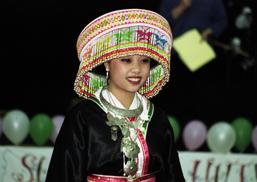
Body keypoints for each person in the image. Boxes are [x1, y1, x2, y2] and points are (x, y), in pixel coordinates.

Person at [45, 9, 186, 182]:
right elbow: (64, 175)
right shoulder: (83, 117)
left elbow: (172, 176)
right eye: (126, 60)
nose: (137, 69)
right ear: (107, 63)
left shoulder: (157, 118)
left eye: (144, 61)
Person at [159, 0, 228, 41]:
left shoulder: (213, 1)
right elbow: (162, 22)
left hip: (199, 46)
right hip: (174, 48)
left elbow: (222, 21)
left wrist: (210, 30)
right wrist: (182, 6)